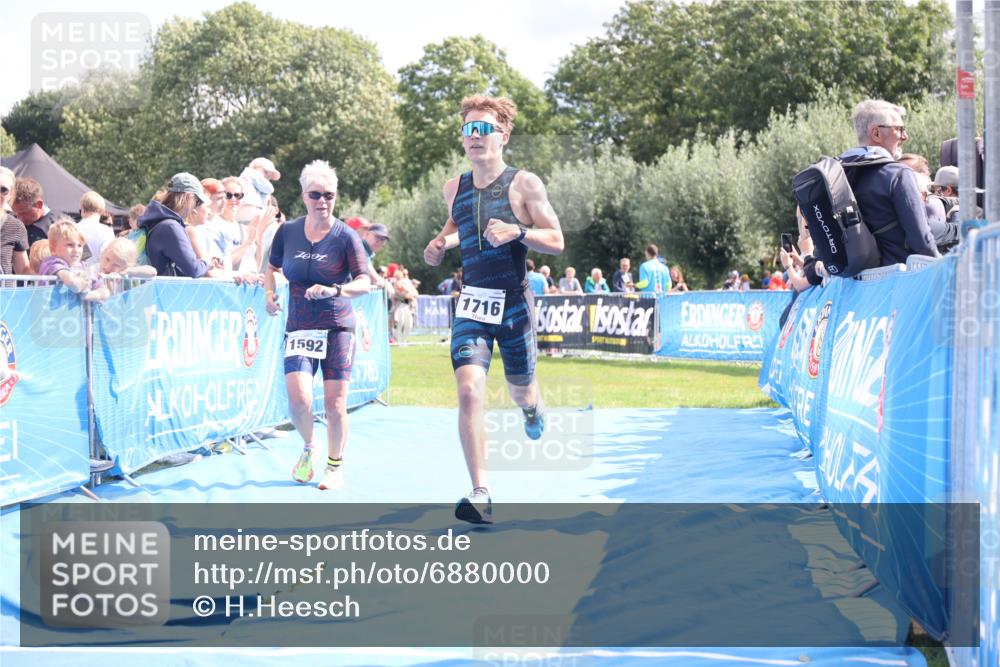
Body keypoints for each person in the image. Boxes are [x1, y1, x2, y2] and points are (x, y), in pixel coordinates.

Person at [423, 94, 563, 524]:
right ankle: (480, 491)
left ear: (503, 135)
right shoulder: (454, 188)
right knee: (468, 390)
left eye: (484, 129)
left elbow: (556, 240)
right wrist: (439, 244)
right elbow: (456, 229)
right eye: (469, 129)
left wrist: (517, 232)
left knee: (521, 389)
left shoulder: (526, 185)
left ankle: (532, 408)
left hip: (515, 306)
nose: (475, 136)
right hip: (473, 303)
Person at [264, 160, 372, 490]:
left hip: (337, 325)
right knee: (298, 399)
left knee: (335, 402)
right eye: (315, 195)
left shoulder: (346, 236)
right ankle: (310, 446)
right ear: (303, 196)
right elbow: (270, 267)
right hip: (299, 326)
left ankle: (335, 466)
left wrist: (336, 289)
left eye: (329, 195)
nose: (322, 201)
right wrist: (269, 294)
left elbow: (365, 281)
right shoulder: (288, 232)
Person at [839, 99, 937, 265]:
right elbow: (922, 242)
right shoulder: (898, 174)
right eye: (899, 129)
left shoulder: (841, 174)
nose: (905, 136)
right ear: (876, 133)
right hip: (896, 281)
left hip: (853, 284)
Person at [140, 173, 253, 280]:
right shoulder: (171, 226)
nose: (195, 206)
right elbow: (194, 269)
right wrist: (207, 262)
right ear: (189, 197)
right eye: (197, 201)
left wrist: (205, 262)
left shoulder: (159, 222)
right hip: (163, 295)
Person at [36, 219, 106, 301]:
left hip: (76, 313)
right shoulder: (51, 262)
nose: (76, 250)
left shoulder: (83, 266)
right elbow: (73, 284)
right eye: (70, 245)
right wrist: (84, 284)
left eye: (80, 246)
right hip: (51, 312)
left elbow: (104, 291)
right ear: (53, 249)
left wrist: (93, 295)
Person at [11, 177, 58, 246]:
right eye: (16, 213)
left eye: (24, 213)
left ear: (39, 204)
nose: (20, 218)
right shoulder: (10, 222)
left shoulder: (59, 226)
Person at [1, 167, 29, 276]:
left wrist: (54, 268)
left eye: (3, 190)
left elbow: (23, 270)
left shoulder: (16, 226)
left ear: (11, 194)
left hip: (4, 292)